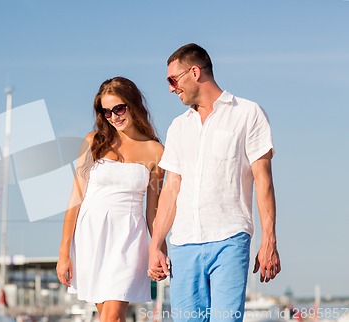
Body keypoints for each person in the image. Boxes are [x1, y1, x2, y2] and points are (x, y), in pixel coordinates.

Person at [148, 43, 281, 322]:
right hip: (184, 245)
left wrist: (268, 239)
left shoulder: (248, 113)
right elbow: (171, 190)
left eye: (173, 80)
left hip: (230, 239)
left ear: (194, 72)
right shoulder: (178, 127)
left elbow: (263, 181)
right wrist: (156, 244)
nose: (171, 88)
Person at [57, 76, 165, 322]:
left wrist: (158, 247)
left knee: (113, 317)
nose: (114, 117)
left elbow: (153, 211)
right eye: (106, 112)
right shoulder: (93, 142)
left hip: (128, 238)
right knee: (108, 316)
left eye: (119, 108)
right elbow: (75, 199)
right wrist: (64, 253)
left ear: (133, 104)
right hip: (91, 236)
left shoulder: (156, 152)